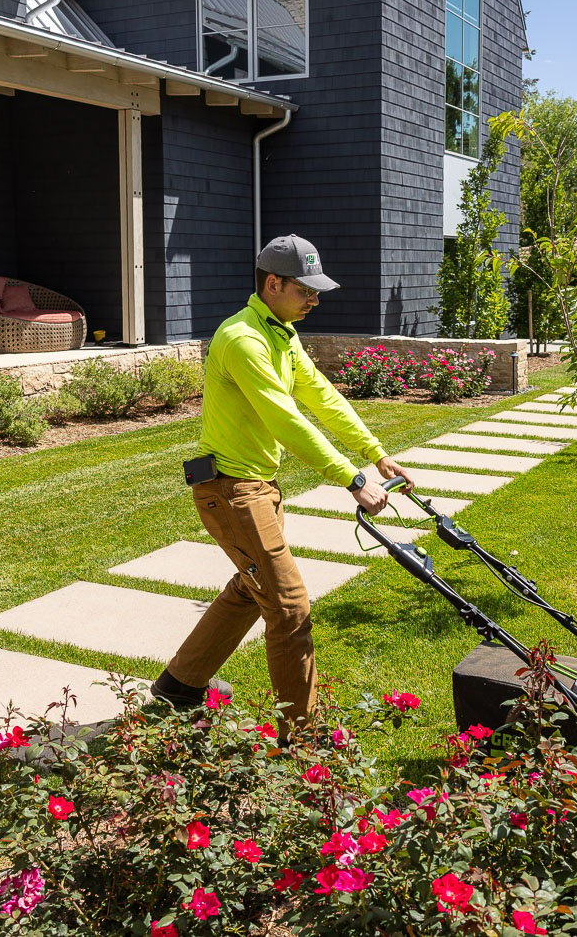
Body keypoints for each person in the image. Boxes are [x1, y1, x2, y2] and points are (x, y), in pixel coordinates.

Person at [152, 235, 415, 727]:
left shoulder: (282, 333)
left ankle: (177, 686)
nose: (315, 300)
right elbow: (285, 418)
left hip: (258, 488)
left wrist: (375, 453)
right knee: (289, 607)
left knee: (250, 589)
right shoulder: (243, 339)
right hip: (231, 491)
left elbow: (322, 397)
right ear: (273, 284)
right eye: (306, 291)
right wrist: (351, 478)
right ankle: (303, 735)